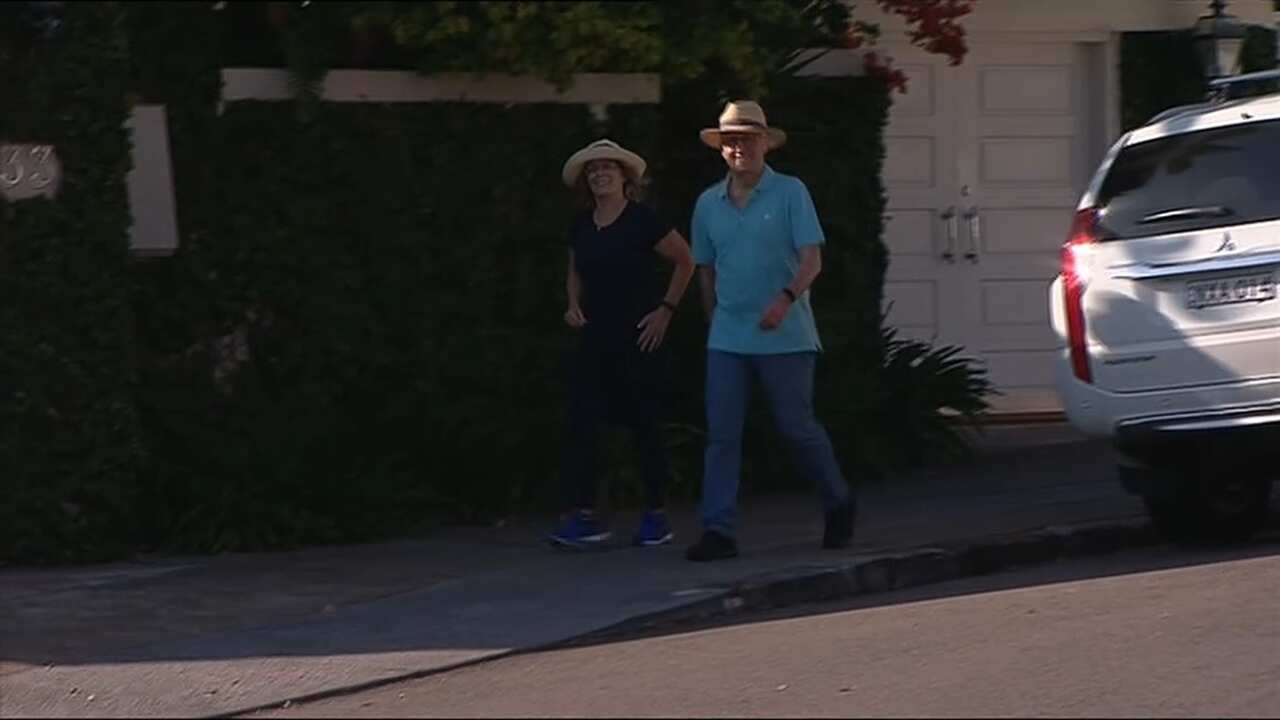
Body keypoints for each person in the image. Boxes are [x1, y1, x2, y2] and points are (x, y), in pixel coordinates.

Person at [684, 101, 856, 562]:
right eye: (731, 141)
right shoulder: (708, 203)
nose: (739, 147)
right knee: (721, 433)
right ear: (721, 149)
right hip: (728, 336)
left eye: (747, 138)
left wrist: (785, 299)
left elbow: (812, 259)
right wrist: (712, 318)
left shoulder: (790, 192)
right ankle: (718, 530)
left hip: (786, 333)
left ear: (765, 142)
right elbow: (705, 268)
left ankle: (838, 500)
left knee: (796, 427)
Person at [549, 139, 695, 549]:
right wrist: (573, 304)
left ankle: (656, 513)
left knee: (644, 422)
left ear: (624, 177)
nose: (600, 175)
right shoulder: (581, 224)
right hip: (594, 336)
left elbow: (686, 259)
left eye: (607, 168)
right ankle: (583, 513)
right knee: (584, 423)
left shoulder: (642, 220)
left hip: (637, 335)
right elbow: (575, 267)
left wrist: (666, 310)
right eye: (593, 170)